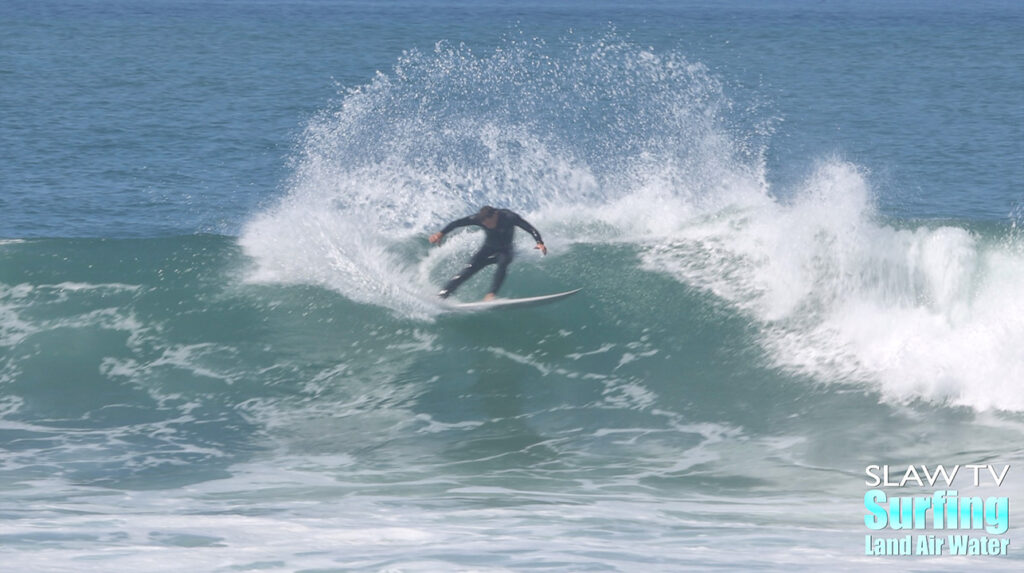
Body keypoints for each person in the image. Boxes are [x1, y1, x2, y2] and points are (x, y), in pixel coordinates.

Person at [429, 206, 547, 300]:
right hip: (488, 248)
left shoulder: (509, 217)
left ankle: (491, 294)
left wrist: (539, 242)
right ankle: (443, 294)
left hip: (505, 250)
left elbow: (529, 228)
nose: (486, 225)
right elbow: (457, 223)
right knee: (469, 268)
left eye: (488, 223)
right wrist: (441, 233)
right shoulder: (479, 219)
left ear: (495, 215)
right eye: (484, 224)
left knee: (503, 263)